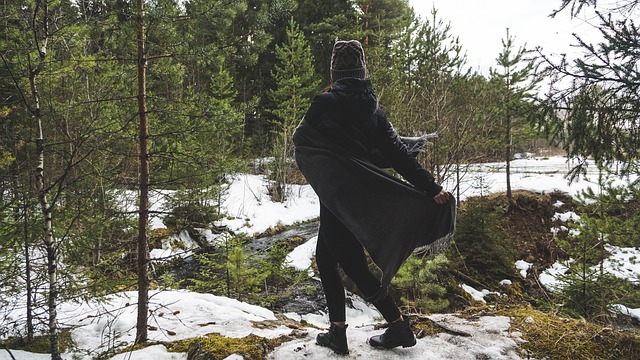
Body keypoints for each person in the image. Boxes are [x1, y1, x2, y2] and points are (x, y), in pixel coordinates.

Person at [292, 40, 455, 355]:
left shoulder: (323, 104)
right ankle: (338, 331)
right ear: (361, 72)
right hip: (358, 200)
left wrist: (327, 167)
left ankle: (398, 326)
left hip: (339, 198)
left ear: (336, 73)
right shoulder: (374, 111)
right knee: (326, 260)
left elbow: (303, 140)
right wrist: (432, 188)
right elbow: (399, 156)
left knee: (353, 266)